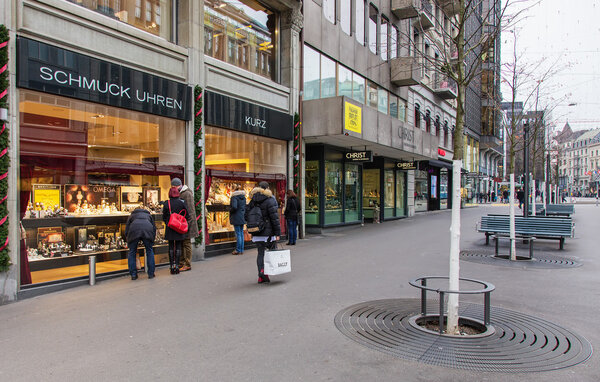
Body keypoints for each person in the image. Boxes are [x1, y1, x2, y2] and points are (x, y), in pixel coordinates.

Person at [245, 181, 281, 284]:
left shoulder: (253, 200)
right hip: (268, 233)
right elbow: (274, 218)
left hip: (256, 232)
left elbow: (246, 216)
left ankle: (261, 274)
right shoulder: (270, 200)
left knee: (260, 253)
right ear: (268, 188)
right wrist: (277, 233)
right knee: (271, 251)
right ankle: (267, 272)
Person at [172, 178, 199, 271]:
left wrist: (188, 223)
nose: (174, 188)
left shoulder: (187, 194)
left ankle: (187, 264)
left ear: (179, 185)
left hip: (187, 223)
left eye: (174, 186)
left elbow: (191, 210)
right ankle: (182, 262)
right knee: (183, 242)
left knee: (186, 243)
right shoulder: (182, 193)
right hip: (183, 223)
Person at [162, 186, 190, 275]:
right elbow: (187, 215)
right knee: (178, 246)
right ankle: (177, 266)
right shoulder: (182, 202)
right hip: (178, 227)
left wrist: (168, 222)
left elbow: (164, 217)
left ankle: (171, 266)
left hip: (170, 227)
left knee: (170, 247)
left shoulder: (167, 203)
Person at [125, 207, 156, 280]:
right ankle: (151, 273)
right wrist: (152, 239)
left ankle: (133, 274)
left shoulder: (132, 216)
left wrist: (128, 239)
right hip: (147, 230)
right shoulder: (148, 215)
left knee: (132, 252)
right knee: (149, 250)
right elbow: (154, 228)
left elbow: (127, 229)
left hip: (134, 231)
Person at [229, 186, 247, 255]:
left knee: (238, 234)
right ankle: (241, 249)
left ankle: (238, 250)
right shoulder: (243, 197)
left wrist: (230, 210)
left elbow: (234, 206)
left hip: (236, 217)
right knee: (241, 233)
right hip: (242, 217)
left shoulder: (234, 197)